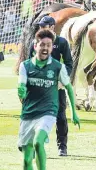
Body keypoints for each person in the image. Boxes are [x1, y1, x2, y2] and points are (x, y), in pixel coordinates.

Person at [18, 29, 80, 170]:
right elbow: (21, 87)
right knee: (27, 157)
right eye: (42, 45)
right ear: (35, 46)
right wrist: (21, 91)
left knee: (39, 142)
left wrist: (74, 113)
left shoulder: (57, 67)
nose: (45, 48)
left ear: (52, 48)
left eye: (48, 45)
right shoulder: (25, 66)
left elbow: (68, 87)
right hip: (28, 114)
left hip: (48, 112)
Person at [28, 16, 73, 157]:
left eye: (44, 26)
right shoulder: (35, 43)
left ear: (52, 27)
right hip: (39, 85)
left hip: (56, 86)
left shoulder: (61, 42)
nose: (41, 28)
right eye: (40, 26)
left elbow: (69, 63)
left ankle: (62, 147)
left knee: (60, 116)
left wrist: (62, 81)